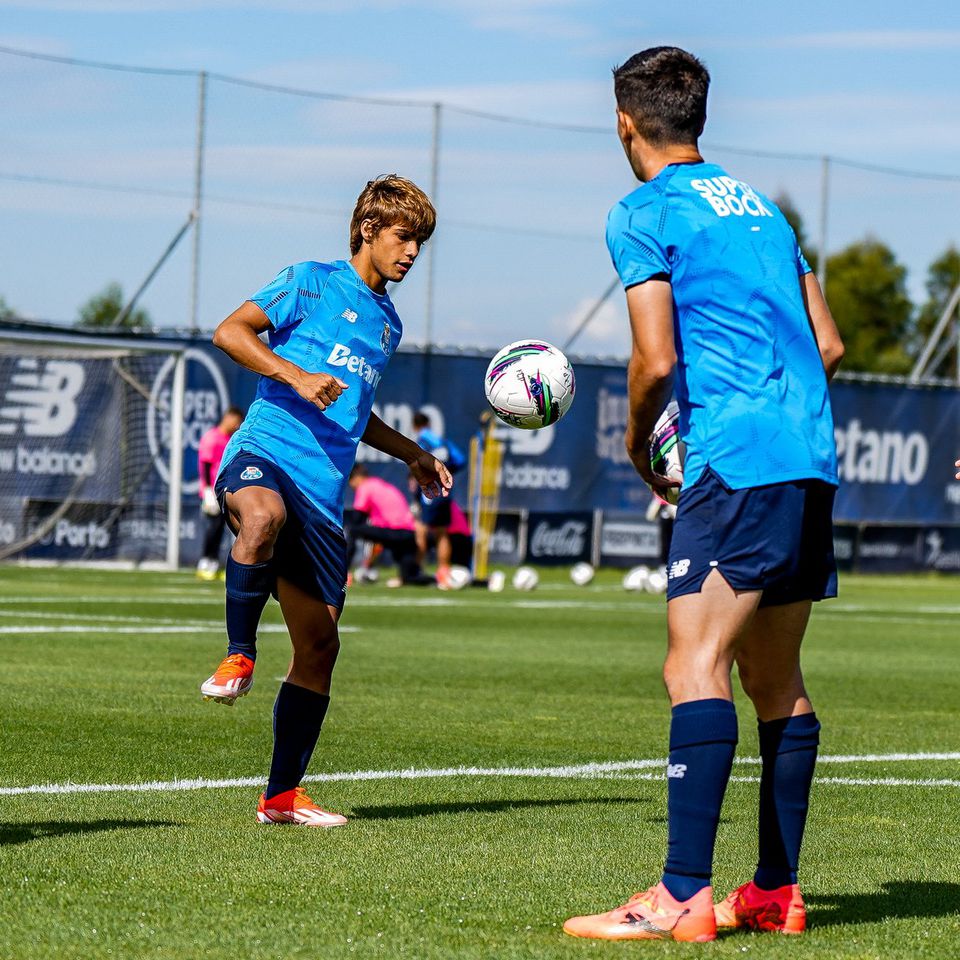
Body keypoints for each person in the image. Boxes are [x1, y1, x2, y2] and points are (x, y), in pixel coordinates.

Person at [563, 47, 844, 943]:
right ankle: (773, 890)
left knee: (692, 667)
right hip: (808, 456)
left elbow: (654, 360)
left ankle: (682, 894)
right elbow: (828, 346)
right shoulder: (764, 210)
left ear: (624, 122)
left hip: (735, 461)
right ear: (699, 117)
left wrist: (638, 439)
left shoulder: (644, 211)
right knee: (775, 679)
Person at [199, 175, 451, 827]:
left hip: (322, 493)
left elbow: (355, 411)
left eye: (420, 242)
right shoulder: (308, 282)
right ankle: (239, 653)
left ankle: (281, 796)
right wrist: (294, 374)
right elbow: (230, 331)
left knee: (320, 647)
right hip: (264, 449)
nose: (412, 253)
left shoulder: (387, 323)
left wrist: (413, 456)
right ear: (368, 229)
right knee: (261, 517)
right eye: (404, 237)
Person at [411, 410, 466, 588]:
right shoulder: (442, 441)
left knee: (421, 529)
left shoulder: (422, 441)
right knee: (442, 532)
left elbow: (416, 461)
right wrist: (447, 473)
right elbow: (460, 459)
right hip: (445, 490)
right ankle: (443, 570)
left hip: (430, 490)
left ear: (415, 426)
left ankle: (416, 570)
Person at [346, 463, 421, 586]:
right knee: (409, 578)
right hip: (409, 534)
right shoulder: (380, 484)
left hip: (394, 532)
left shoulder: (365, 487)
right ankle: (437, 580)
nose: (352, 487)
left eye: (351, 482)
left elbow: (357, 518)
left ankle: (344, 573)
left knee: (353, 530)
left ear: (357, 478)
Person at [196, 406, 244, 580]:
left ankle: (215, 563)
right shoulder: (212, 437)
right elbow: (206, 464)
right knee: (213, 528)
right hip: (212, 491)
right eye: (237, 421)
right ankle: (205, 562)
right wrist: (208, 489)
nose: (238, 425)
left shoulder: (230, 439)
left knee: (223, 529)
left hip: (226, 489)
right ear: (229, 417)